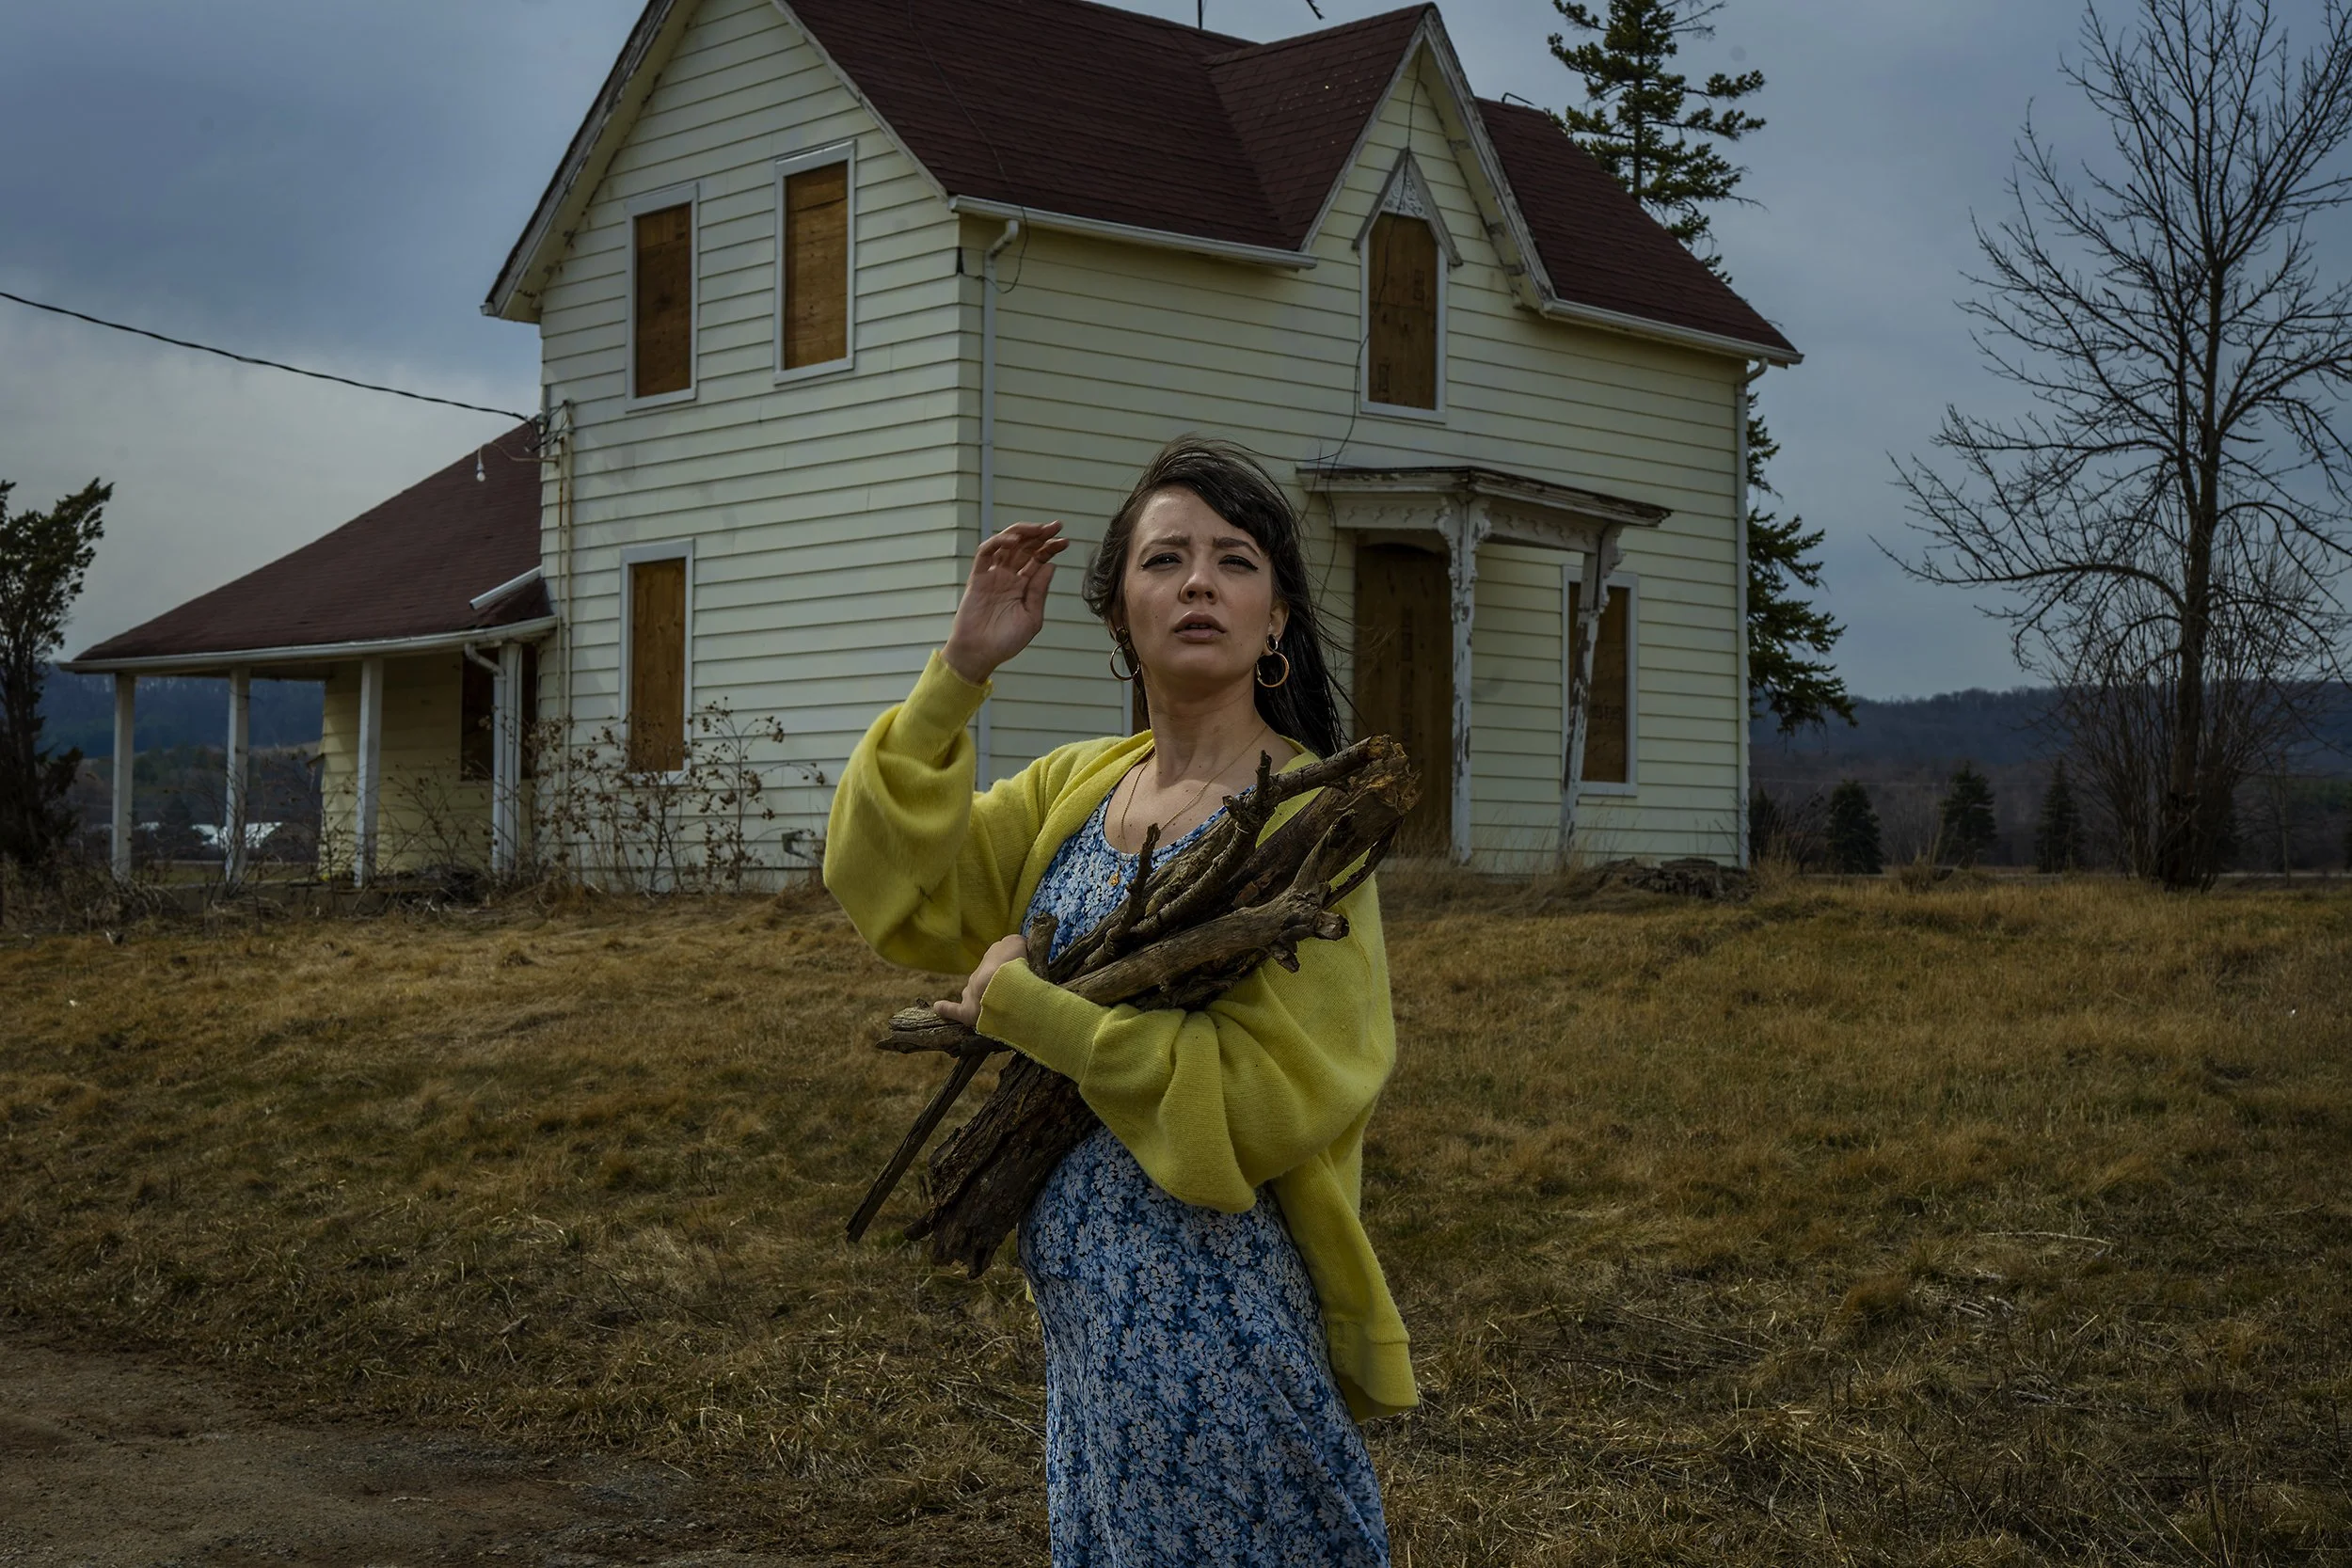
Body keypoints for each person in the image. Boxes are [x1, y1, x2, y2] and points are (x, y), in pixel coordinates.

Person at [824, 437, 1414, 1566]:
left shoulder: (1307, 822)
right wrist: (958, 672)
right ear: (1119, 611)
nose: (1199, 581)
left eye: (1235, 560)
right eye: (1165, 559)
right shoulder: (1076, 787)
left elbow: (1258, 1105)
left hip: (1222, 1334)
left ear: (1276, 618)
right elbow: (884, 878)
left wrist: (1031, 1008)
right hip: (1092, 1344)